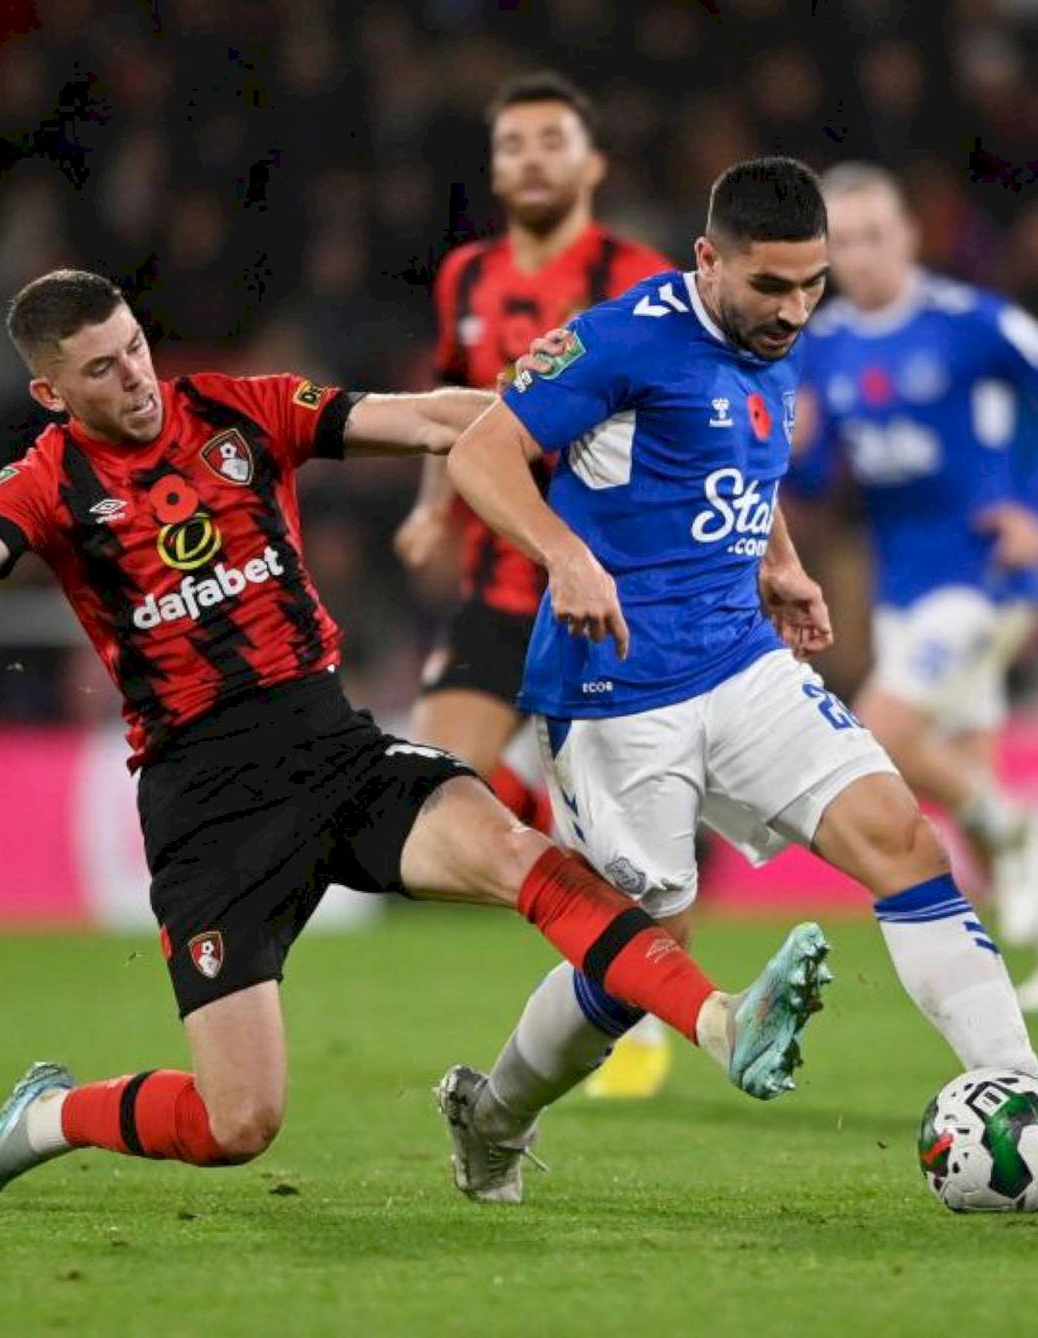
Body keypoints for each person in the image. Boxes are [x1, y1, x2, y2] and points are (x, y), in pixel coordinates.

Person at [0, 268, 834, 1206]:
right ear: (51, 392)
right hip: (206, 806)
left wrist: (557, 408)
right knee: (237, 1125)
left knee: (516, 851)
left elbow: (425, 419)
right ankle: (50, 1116)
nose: (134, 377)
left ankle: (719, 1020)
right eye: (101, 370)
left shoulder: (233, 408)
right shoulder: (46, 482)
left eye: (135, 347)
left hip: (332, 746)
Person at [438, 157, 1038, 1204]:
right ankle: (493, 1114)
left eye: (812, 284)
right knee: (642, 953)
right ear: (708, 259)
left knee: (901, 837)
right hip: (616, 693)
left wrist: (777, 561)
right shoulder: (622, 337)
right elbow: (481, 452)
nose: (794, 310)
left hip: (741, 661)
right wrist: (563, 554)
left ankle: (1020, 1089)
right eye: (771, 286)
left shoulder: (775, 346)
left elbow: (740, 457)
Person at [394, 72, 677, 1099]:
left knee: (637, 832)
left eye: (552, 140)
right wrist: (434, 504)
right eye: (513, 144)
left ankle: (640, 999)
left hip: (605, 588)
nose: (531, 159)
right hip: (496, 587)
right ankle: (575, 876)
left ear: (592, 162)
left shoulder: (635, 274)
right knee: (429, 792)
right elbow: (450, 407)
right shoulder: (466, 277)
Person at [792, 161, 1038, 1013]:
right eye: (842, 242)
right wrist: (804, 446)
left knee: (881, 735)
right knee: (971, 793)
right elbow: (824, 482)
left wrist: (1035, 506)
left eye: (873, 236)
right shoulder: (821, 346)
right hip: (903, 585)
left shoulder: (962, 321)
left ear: (907, 237)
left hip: (983, 575)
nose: (858, 256)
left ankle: (1018, 820)